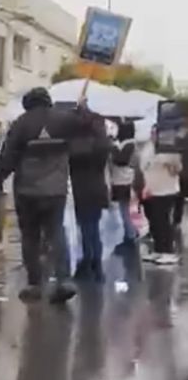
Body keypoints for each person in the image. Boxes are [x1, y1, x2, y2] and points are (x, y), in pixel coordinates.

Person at [0, 87, 96, 304]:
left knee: (30, 237)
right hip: (55, 190)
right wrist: (83, 108)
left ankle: (34, 284)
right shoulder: (64, 120)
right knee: (56, 233)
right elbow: (88, 127)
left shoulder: (21, 124)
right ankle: (63, 280)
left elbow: (8, 158)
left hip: (27, 191)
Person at [69, 110, 110, 283]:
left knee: (85, 229)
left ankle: (87, 262)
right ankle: (97, 265)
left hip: (80, 189)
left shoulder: (74, 144)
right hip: (98, 188)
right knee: (93, 229)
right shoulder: (101, 143)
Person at [137, 127, 182, 265]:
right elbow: (142, 165)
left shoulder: (169, 149)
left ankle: (167, 251)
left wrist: (166, 164)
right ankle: (158, 249)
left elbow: (177, 169)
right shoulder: (148, 147)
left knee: (163, 222)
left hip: (166, 190)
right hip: (152, 190)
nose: (153, 135)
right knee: (155, 222)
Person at [110, 119, 138, 249]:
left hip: (123, 181)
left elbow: (120, 160)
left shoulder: (129, 145)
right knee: (124, 209)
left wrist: (113, 147)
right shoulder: (128, 144)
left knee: (124, 210)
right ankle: (130, 232)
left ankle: (130, 234)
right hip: (121, 180)